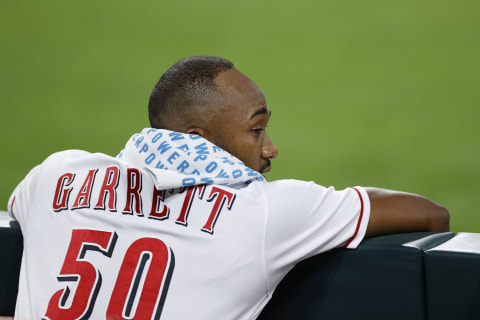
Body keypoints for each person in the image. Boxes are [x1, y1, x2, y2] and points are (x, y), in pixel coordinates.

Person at [7, 56, 449, 320]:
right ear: (199, 142)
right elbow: (431, 215)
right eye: (257, 130)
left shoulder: (55, 176)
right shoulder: (264, 212)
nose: (271, 149)